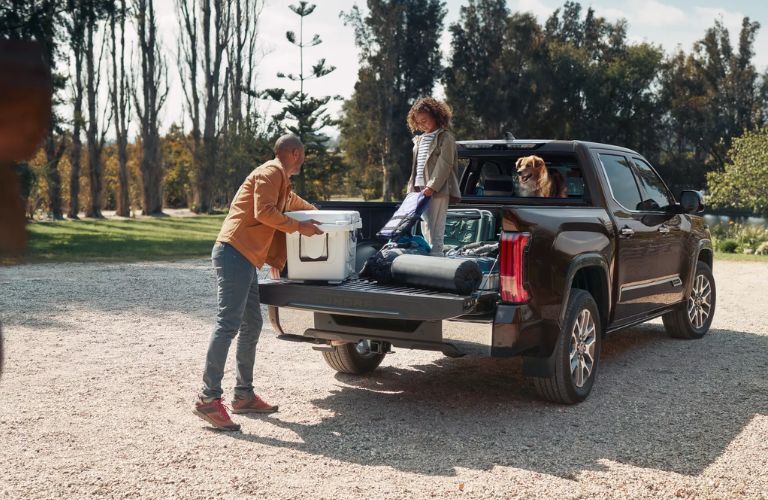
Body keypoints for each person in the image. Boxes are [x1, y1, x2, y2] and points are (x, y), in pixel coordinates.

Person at [193, 134, 323, 431]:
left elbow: (294, 204)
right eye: (302, 155)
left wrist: (325, 217)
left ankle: (243, 395)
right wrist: (299, 227)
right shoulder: (270, 173)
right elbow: (263, 212)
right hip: (233, 252)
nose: (302, 160)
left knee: (252, 324)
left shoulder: (281, 180)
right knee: (228, 323)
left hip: (246, 257)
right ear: (293, 153)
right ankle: (207, 398)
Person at [406, 97, 461, 256]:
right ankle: (430, 259)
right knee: (426, 225)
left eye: (425, 120)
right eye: (418, 122)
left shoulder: (445, 137)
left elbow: (445, 164)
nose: (422, 124)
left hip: (437, 189)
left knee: (435, 228)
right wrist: (413, 188)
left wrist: (432, 186)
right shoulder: (420, 139)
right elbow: (416, 166)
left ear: (436, 116)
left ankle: (436, 259)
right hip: (420, 189)